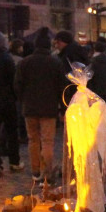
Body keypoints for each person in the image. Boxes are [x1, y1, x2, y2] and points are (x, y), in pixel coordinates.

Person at [14, 28, 67, 184]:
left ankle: (36, 172)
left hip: (29, 108)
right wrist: (61, 108)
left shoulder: (24, 62)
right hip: (49, 108)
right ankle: (47, 172)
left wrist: (23, 100)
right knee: (48, 141)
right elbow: (61, 87)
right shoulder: (55, 63)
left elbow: (17, 86)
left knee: (33, 140)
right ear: (48, 46)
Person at [0, 32, 23, 176]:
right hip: (7, 100)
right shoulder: (7, 58)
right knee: (12, 132)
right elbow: (13, 80)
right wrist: (15, 97)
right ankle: (14, 161)